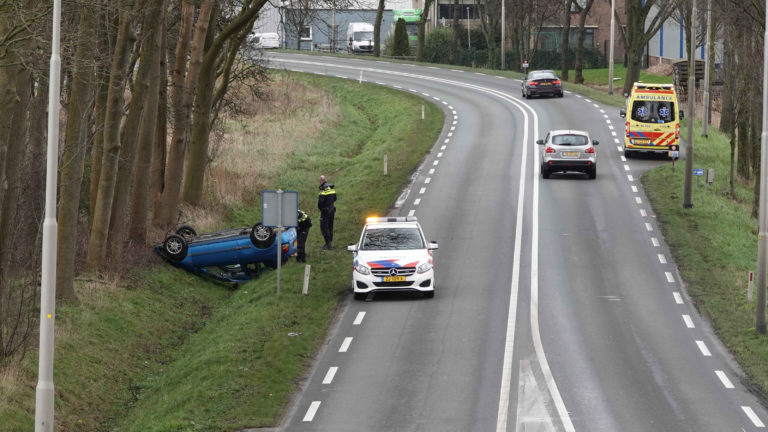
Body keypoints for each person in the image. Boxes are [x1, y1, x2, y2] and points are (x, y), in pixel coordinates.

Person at [317, 175, 337, 249]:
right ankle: (330, 242)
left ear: (321, 181)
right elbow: (335, 198)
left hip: (325, 210)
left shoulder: (323, 189)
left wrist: (320, 208)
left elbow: (321, 201)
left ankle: (328, 244)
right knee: (330, 226)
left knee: (324, 227)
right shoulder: (332, 187)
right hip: (332, 209)